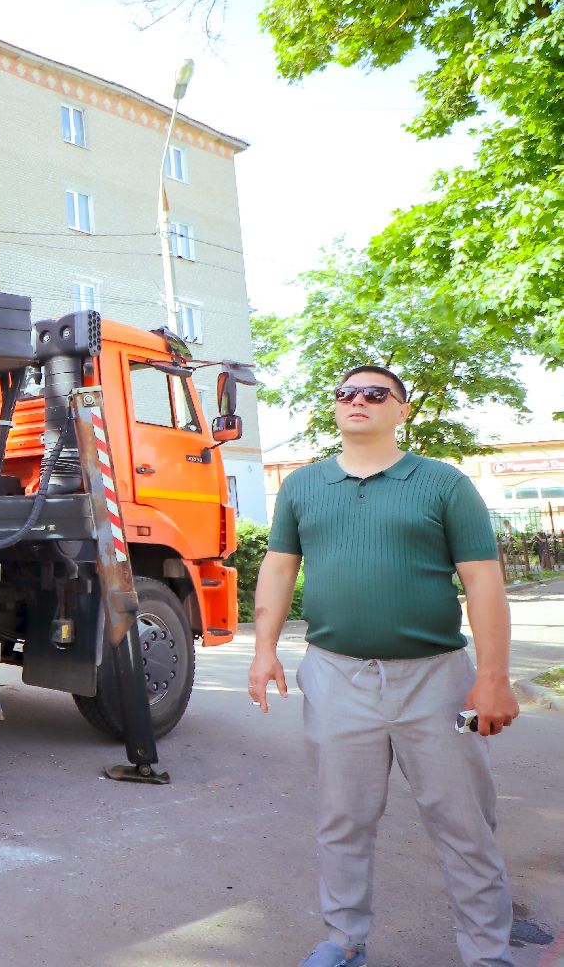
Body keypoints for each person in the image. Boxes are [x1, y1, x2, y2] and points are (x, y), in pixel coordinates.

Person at [249, 364, 520, 967]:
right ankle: (344, 941)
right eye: (346, 393)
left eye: (376, 394)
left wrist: (492, 678)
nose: (358, 401)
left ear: (402, 411)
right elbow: (278, 564)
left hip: (440, 680)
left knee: (464, 822)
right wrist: (264, 649)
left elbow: (483, 581)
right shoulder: (302, 486)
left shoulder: (443, 484)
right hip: (337, 675)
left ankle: (487, 952)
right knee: (342, 819)